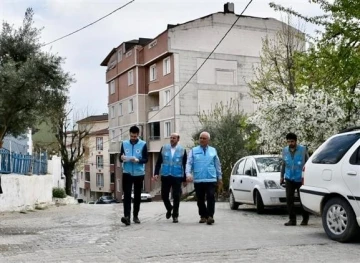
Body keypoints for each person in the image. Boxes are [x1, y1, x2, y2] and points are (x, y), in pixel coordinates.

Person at [185, 131, 222, 225]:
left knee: (211, 196)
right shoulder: (194, 150)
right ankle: (203, 216)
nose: (201, 140)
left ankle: (210, 216)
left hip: (211, 178)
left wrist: (219, 177)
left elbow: (217, 164)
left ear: (208, 140)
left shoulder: (213, 150)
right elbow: (189, 163)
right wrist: (188, 174)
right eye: (200, 138)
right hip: (198, 178)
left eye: (204, 138)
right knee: (200, 199)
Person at [153, 133, 187, 223]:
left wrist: (184, 179)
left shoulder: (182, 150)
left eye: (174, 138)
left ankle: (175, 215)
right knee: (164, 196)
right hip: (165, 175)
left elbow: (185, 165)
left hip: (177, 176)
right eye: (171, 138)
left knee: (176, 196)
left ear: (178, 139)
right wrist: (156, 173)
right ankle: (169, 208)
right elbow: (158, 162)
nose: (172, 139)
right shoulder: (164, 148)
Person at [119, 126, 148, 226]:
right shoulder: (124, 143)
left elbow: (146, 159)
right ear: (129, 134)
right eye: (132, 136)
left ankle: (135, 216)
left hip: (139, 173)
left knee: (137, 196)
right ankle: (127, 217)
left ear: (138, 135)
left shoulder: (143, 144)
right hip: (127, 172)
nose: (133, 138)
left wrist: (138, 160)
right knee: (126, 195)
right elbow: (120, 157)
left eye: (135, 136)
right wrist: (122, 158)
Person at [280, 132, 310, 226]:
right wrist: (282, 176)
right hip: (289, 178)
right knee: (289, 200)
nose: (290, 143)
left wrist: (306, 176)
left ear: (296, 141)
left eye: (292, 141)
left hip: (300, 178)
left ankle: (305, 219)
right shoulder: (285, 150)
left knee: (302, 200)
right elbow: (284, 164)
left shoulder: (303, 149)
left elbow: (308, 163)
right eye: (288, 141)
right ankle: (292, 220)